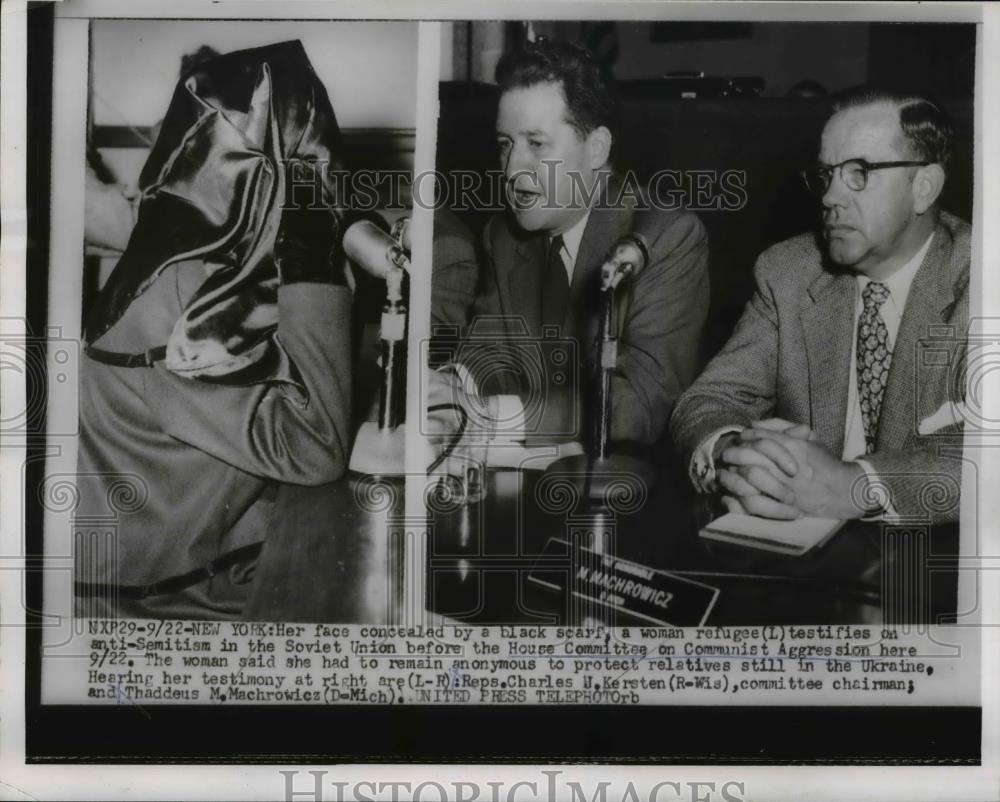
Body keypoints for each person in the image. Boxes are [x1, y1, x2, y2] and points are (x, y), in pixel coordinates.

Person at [74, 42, 356, 619]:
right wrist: (314, 254)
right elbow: (316, 447)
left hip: (193, 567)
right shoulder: (186, 301)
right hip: (159, 613)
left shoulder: (180, 265)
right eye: (304, 173)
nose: (317, 191)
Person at [670, 87, 969, 525]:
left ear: (924, 187)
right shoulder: (788, 272)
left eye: (859, 172)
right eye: (826, 174)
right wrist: (735, 453)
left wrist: (854, 486)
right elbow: (709, 399)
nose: (830, 197)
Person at [433, 39, 709, 453]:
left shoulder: (667, 236)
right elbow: (490, 357)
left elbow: (644, 402)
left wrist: (492, 415)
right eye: (505, 144)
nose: (511, 169)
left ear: (596, 149)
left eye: (536, 144)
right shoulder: (504, 235)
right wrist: (452, 388)